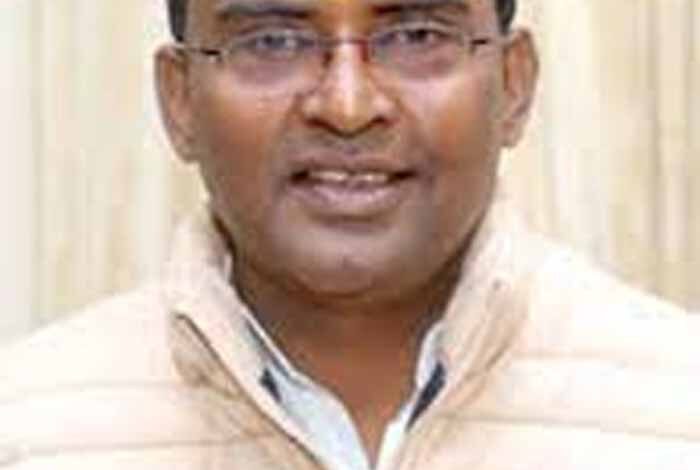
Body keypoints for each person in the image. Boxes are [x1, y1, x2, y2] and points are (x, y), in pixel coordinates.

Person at [2, 0, 700, 468]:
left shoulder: (679, 413)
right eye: (272, 41)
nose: (347, 105)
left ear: (513, 86)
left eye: (417, 36)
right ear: (180, 99)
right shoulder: (28, 433)